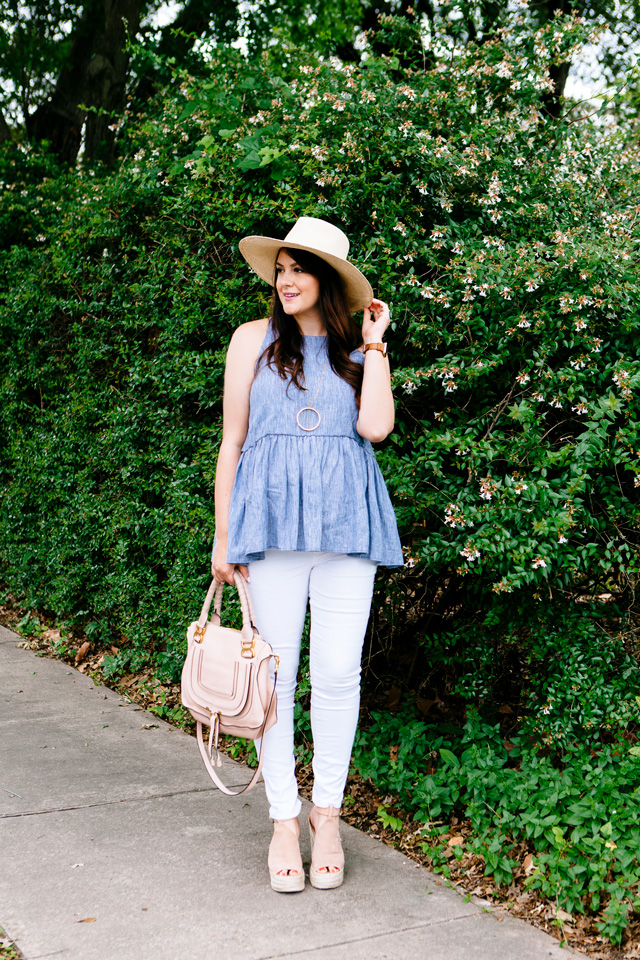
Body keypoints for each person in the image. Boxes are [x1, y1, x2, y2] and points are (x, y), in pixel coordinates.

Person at [211, 216, 403, 893]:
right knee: (275, 678)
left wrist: (376, 345)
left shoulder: (357, 351)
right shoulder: (251, 340)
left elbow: (375, 428)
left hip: (346, 530)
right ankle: (284, 820)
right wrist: (222, 536)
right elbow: (232, 441)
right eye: (282, 269)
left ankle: (328, 815)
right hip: (271, 529)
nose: (286, 280)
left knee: (337, 675)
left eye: (301, 269)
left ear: (328, 281)